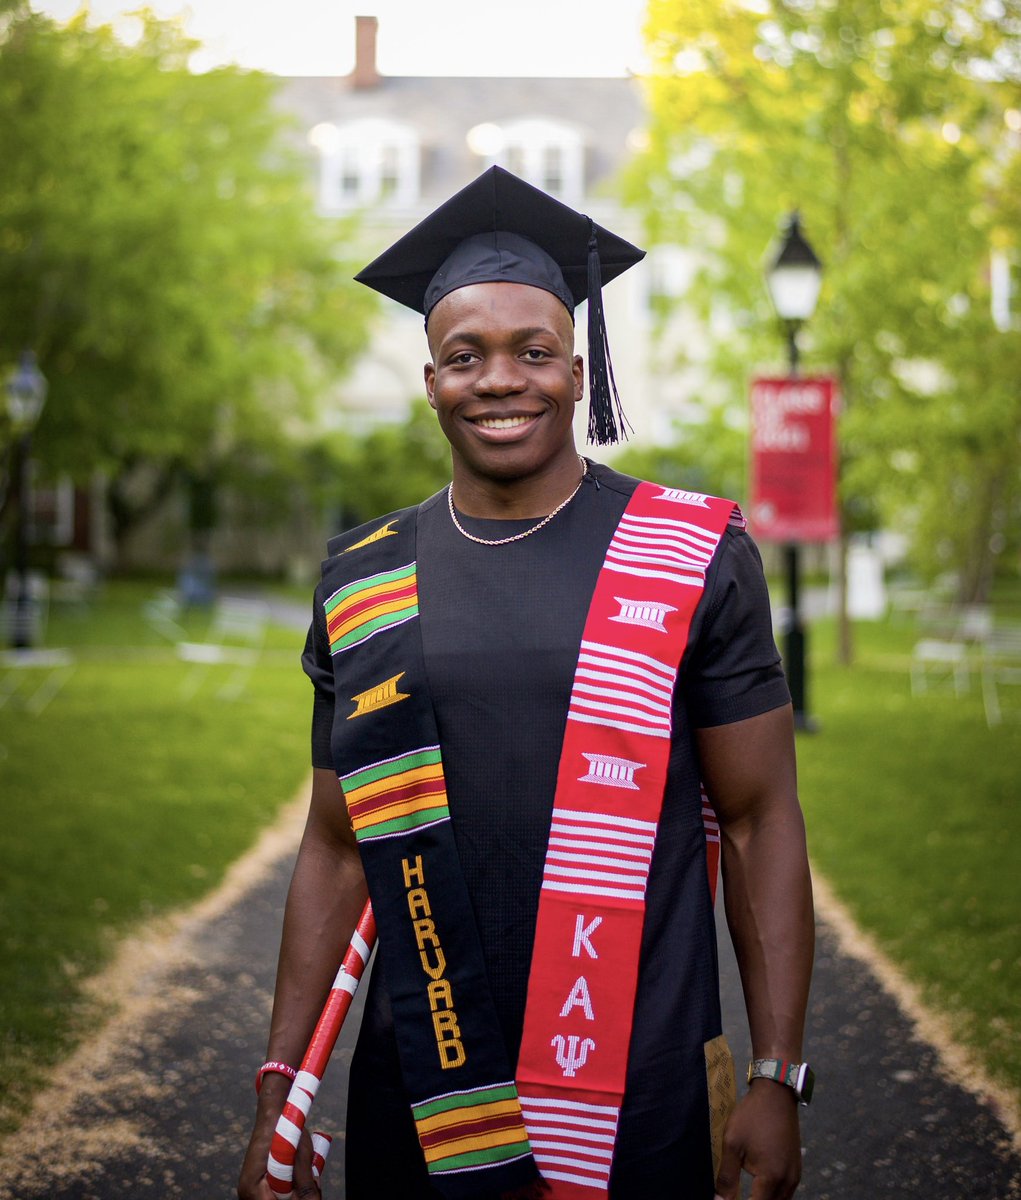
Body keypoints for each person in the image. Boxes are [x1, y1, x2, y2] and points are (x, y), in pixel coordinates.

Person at [238, 166, 814, 1200]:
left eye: (532, 351)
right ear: (430, 382)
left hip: (638, 1076)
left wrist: (775, 1073)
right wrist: (282, 1083)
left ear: (579, 370)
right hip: (426, 1080)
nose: (499, 379)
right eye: (465, 356)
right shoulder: (364, 577)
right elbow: (333, 845)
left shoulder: (689, 556)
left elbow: (760, 820)